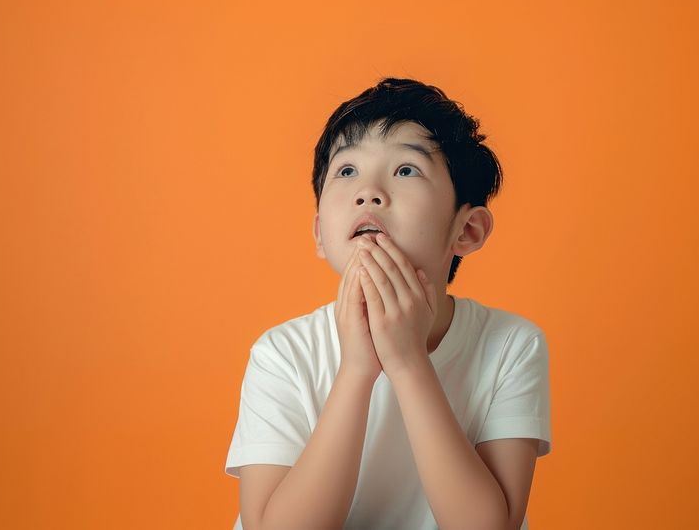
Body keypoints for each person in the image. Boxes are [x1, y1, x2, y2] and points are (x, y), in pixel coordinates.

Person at [224, 78, 551, 530]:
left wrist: (409, 361)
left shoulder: (511, 345)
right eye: (346, 171)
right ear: (320, 233)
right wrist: (357, 370)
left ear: (468, 230)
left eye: (405, 170)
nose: (368, 192)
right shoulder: (282, 353)